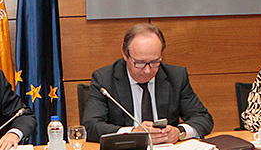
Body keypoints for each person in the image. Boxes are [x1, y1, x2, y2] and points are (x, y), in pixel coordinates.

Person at [82, 23, 213, 143]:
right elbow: (91, 126)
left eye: (155, 62)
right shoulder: (104, 79)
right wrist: (131, 133)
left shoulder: (176, 77)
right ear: (125, 55)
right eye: (139, 63)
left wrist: (179, 132)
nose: (147, 70)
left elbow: (203, 118)